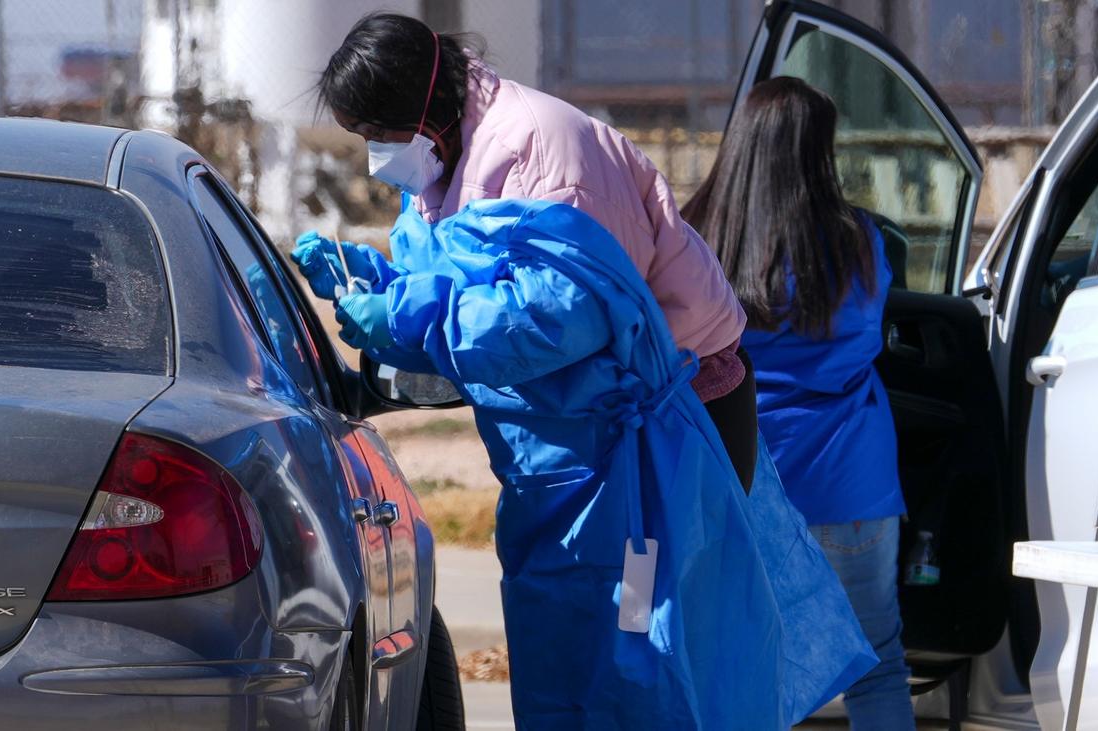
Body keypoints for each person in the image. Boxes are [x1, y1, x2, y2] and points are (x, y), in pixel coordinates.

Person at [302, 193, 876, 728]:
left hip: (628, 487)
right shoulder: (525, 195)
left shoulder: (552, 203)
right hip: (623, 480)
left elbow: (532, 325)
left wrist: (404, 309)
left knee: (640, 646)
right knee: (647, 643)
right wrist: (393, 295)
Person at [295, 12, 758, 489]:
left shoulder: (538, 150)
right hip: (583, 409)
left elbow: (562, 316)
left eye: (374, 135)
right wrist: (374, 282)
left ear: (414, 110)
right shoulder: (437, 163)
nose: (374, 156)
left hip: (672, 396)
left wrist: (407, 314)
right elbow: (454, 287)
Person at [682, 76, 914, 730]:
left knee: (742, 668)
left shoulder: (696, 237)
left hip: (739, 482)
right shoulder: (857, 240)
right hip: (851, 485)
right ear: (819, 151)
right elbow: (867, 336)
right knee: (878, 665)